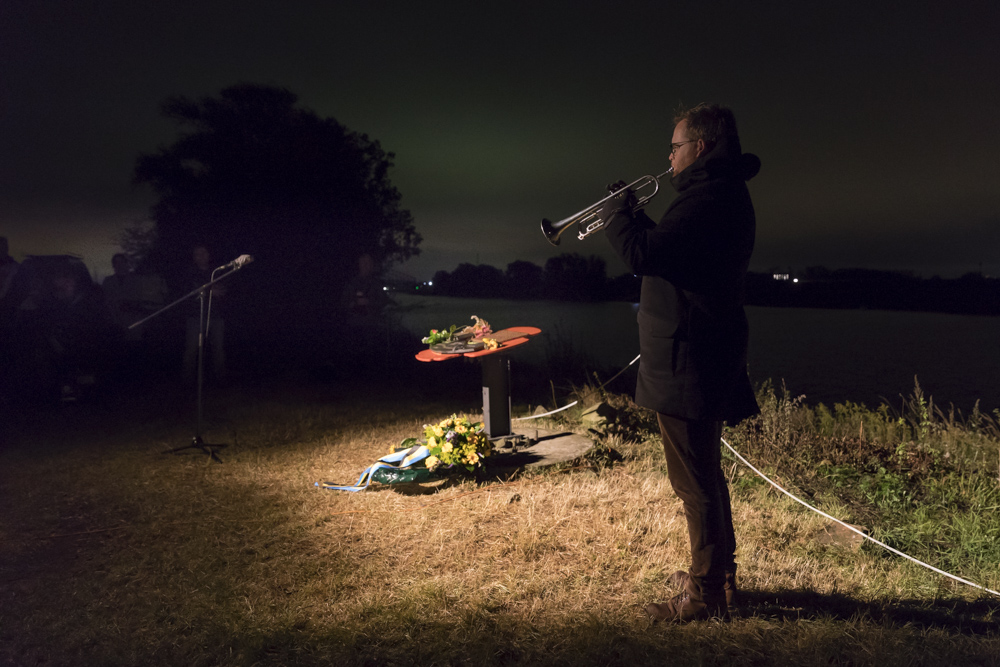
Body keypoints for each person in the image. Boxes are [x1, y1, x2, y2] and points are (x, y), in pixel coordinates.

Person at [600, 103, 761, 622]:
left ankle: (705, 595)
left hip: (688, 359)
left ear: (701, 147)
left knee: (695, 484)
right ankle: (718, 576)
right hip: (698, 353)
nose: (668, 157)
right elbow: (671, 250)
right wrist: (633, 215)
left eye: (675, 146)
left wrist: (614, 213)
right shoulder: (714, 197)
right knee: (705, 477)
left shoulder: (707, 199)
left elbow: (646, 255)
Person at [182, 245, 226, 383]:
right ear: (194, 257)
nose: (201, 256)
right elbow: (190, 292)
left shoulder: (217, 272)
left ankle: (220, 380)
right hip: (195, 316)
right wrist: (208, 292)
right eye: (197, 254)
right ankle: (187, 380)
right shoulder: (189, 273)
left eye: (204, 252)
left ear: (209, 254)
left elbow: (224, 290)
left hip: (216, 316)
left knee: (218, 349)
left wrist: (220, 291)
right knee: (192, 349)